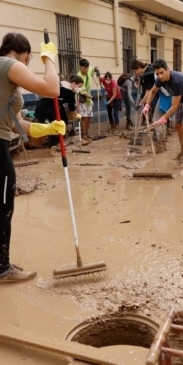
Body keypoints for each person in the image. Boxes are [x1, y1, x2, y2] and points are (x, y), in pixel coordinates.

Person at [0, 32, 65, 283]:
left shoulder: (6, 77)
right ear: (23, 54)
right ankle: (2, 268)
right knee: (4, 206)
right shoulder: (9, 64)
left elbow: (15, 124)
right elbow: (52, 89)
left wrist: (45, 128)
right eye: (29, 58)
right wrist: (49, 60)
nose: (28, 63)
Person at [142, 59, 183, 168]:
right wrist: (147, 105)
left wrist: (163, 119)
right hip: (182, 99)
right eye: (157, 74)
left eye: (161, 72)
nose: (159, 76)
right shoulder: (160, 80)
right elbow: (152, 91)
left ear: (167, 70)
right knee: (178, 126)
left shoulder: (176, 80)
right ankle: (182, 151)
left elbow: (174, 106)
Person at [34, 74, 83, 152]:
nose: (79, 89)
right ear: (73, 84)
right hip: (49, 105)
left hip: (47, 104)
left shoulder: (63, 84)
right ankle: (53, 145)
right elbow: (71, 109)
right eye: (79, 87)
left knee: (60, 122)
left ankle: (54, 144)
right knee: (58, 124)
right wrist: (76, 115)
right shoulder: (69, 92)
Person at [130, 59, 166, 153]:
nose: (135, 73)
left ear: (138, 68)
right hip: (161, 97)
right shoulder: (148, 71)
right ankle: (161, 142)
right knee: (159, 120)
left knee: (156, 121)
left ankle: (160, 146)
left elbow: (149, 91)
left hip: (160, 97)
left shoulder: (148, 75)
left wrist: (141, 104)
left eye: (134, 71)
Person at [77, 58, 99, 143]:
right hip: (82, 99)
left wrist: (97, 70)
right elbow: (83, 92)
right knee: (84, 117)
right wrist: (92, 97)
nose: (86, 70)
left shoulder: (89, 70)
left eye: (87, 68)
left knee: (89, 117)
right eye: (84, 68)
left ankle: (87, 133)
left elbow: (94, 68)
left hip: (89, 100)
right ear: (80, 67)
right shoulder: (79, 77)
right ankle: (84, 135)